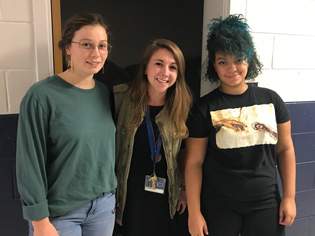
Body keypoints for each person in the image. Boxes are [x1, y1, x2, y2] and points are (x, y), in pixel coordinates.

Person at [185, 15, 296, 236]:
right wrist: (194, 213)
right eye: (222, 61)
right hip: (219, 205)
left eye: (239, 59)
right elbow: (194, 162)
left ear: (249, 60)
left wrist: (290, 197)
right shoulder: (203, 108)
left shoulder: (272, 100)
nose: (231, 68)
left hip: (265, 202)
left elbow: (285, 149)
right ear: (214, 65)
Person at [16, 13, 116, 236]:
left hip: (102, 208)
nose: (96, 53)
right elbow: (29, 162)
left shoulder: (104, 93)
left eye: (102, 46)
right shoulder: (42, 95)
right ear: (67, 48)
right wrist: (40, 222)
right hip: (59, 214)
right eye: (87, 45)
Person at [113, 39, 192, 236]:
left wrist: (184, 188)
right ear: (145, 67)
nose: (165, 72)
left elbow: (184, 153)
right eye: (158, 64)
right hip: (127, 195)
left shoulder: (182, 107)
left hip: (165, 197)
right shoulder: (120, 99)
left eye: (173, 67)